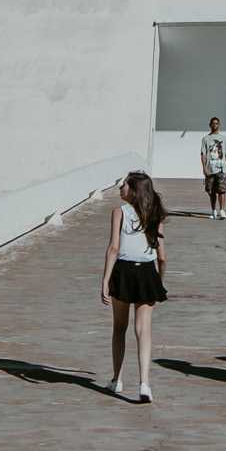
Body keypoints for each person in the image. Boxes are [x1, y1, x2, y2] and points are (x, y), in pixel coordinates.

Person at [100, 171, 169, 402]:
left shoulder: (119, 212)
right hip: (147, 272)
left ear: (132, 190)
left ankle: (116, 378)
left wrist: (105, 281)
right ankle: (144, 383)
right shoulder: (155, 214)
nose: (120, 189)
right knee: (144, 330)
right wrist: (160, 280)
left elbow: (113, 248)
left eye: (123, 185)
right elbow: (162, 256)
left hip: (123, 271)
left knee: (119, 327)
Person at [200, 117, 226, 219]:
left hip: (221, 169)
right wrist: (204, 168)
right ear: (210, 125)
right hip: (210, 169)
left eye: (217, 123)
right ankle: (213, 210)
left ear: (219, 125)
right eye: (213, 123)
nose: (215, 125)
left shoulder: (224, 138)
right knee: (211, 191)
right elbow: (203, 155)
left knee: (222, 190)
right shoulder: (205, 139)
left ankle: (222, 210)